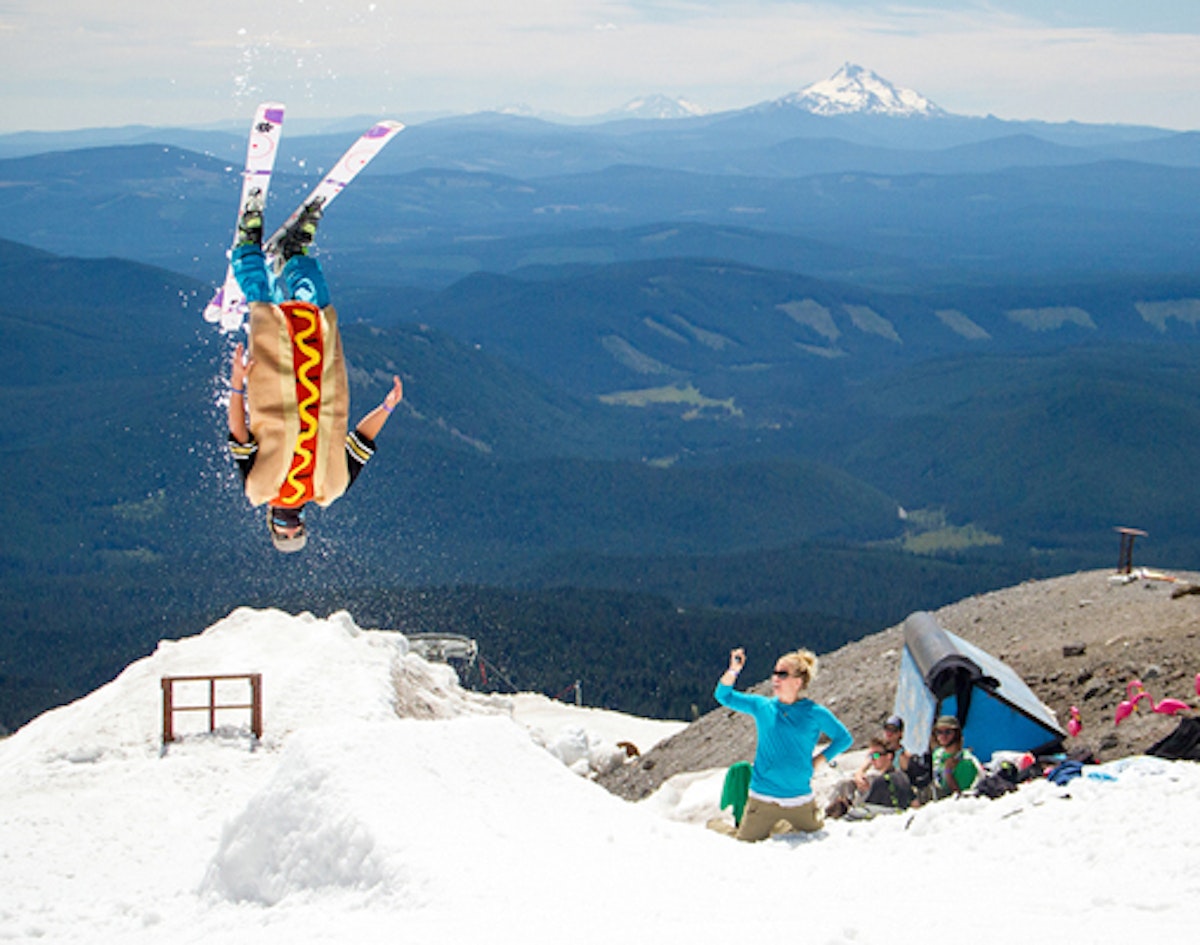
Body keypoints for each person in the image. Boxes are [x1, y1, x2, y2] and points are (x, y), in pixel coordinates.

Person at [226, 195, 403, 552]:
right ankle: (294, 255)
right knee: (319, 314)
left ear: (271, 522)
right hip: (322, 382)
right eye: (296, 531)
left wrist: (237, 384)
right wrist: (386, 408)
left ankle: (248, 248)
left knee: (263, 310)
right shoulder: (331, 487)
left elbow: (239, 435)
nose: (290, 526)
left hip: (273, 388)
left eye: (283, 530)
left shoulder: (257, 489)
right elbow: (361, 444)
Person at [712, 647, 853, 841]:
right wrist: (734, 669)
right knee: (742, 843)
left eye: (782, 674)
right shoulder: (763, 706)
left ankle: (780, 824)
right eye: (775, 673)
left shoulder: (815, 712)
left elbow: (844, 738)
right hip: (762, 799)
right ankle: (715, 825)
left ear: (798, 682)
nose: (775, 678)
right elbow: (723, 695)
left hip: (800, 801)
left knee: (816, 840)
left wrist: (819, 760)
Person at [931, 715, 982, 799]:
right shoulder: (937, 754)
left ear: (956, 734)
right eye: (939, 732)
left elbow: (961, 798)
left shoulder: (966, 762)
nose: (943, 736)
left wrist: (948, 772)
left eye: (948, 732)